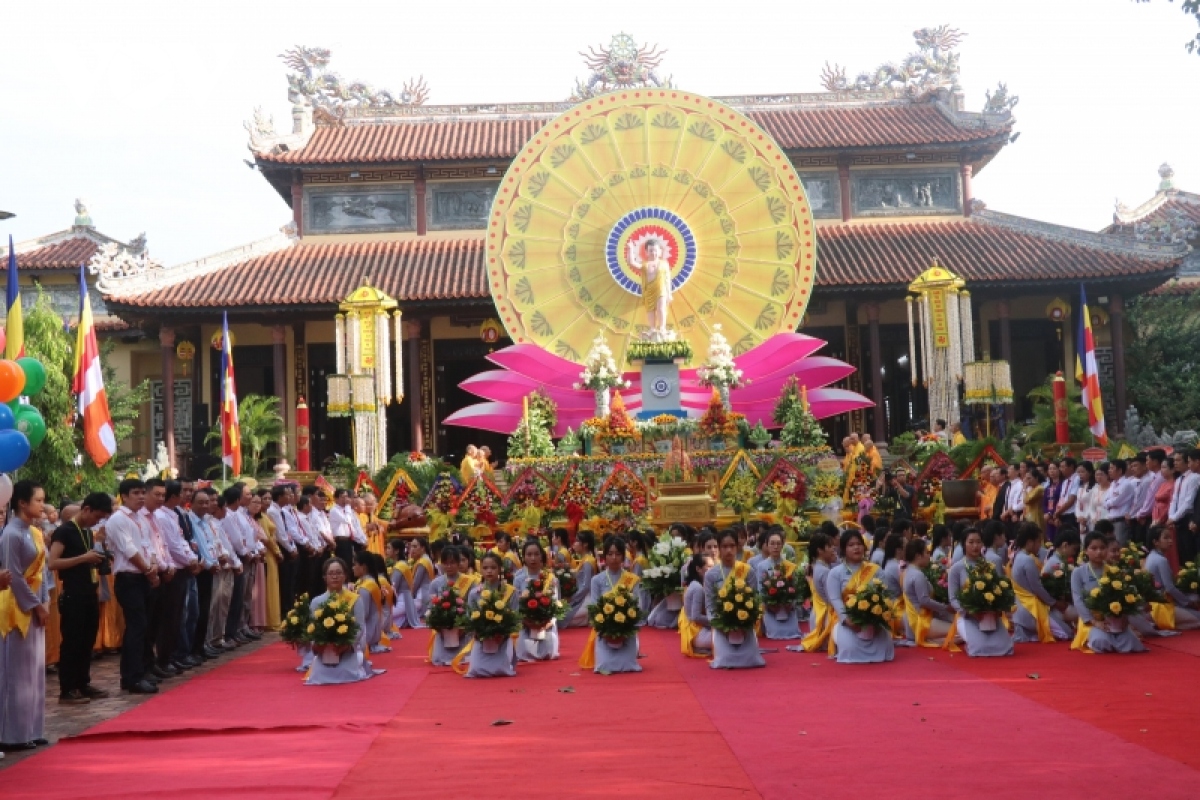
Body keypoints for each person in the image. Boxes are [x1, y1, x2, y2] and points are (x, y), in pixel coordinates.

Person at [47, 492, 114, 705]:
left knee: (87, 641)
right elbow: (53, 563)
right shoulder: (64, 531)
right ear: (86, 509)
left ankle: (82, 683)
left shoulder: (87, 533)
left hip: (89, 592)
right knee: (72, 642)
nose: (97, 522)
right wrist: (83, 558)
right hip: (73, 593)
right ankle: (67, 689)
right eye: (96, 516)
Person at [0, 481, 52, 751]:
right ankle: (12, 733)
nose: (42, 505)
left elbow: (42, 572)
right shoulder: (11, 534)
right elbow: (13, 577)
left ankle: (32, 728)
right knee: (16, 674)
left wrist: (45, 600)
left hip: (34, 605)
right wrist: (35, 606)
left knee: (34, 671)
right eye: (38, 500)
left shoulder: (34, 532)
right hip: (16, 608)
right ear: (22, 503)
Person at [305, 557, 383, 685]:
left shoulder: (355, 599)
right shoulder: (316, 602)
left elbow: (359, 627)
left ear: (345, 576)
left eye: (338, 573)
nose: (335, 577)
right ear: (324, 577)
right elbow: (312, 627)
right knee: (318, 677)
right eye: (331, 573)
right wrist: (318, 644)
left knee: (347, 674)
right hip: (323, 652)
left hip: (347, 651)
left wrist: (346, 645)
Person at [1071, 532, 1147, 654]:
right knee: (1100, 641)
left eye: (1102, 548)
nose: (1099, 552)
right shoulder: (1078, 572)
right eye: (1094, 548)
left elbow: (1125, 596)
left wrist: (1124, 619)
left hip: (1115, 620)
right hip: (1092, 620)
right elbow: (1078, 600)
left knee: (1132, 643)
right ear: (1086, 550)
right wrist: (1095, 622)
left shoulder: (1114, 571)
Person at [826, 530, 894, 664]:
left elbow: (886, 596)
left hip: (875, 621)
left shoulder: (876, 570)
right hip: (846, 621)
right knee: (850, 648)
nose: (856, 547)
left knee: (885, 647)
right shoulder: (835, 573)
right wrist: (847, 620)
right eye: (851, 545)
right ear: (844, 549)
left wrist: (878, 620)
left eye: (859, 544)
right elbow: (835, 599)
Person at [946, 528, 1014, 657]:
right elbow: (953, 599)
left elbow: (999, 589)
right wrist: (970, 611)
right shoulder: (956, 568)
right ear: (963, 545)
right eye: (971, 542)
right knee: (979, 649)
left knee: (1006, 648)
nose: (975, 546)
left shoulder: (989, 566)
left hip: (989, 615)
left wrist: (997, 608)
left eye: (978, 542)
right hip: (968, 616)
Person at [580, 536, 643, 673]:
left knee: (628, 666)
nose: (614, 557)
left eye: (618, 554)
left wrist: (627, 628)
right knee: (604, 666)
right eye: (610, 554)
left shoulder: (632, 580)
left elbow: (638, 606)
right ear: (605, 557)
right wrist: (606, 628)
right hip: (604, 632)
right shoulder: (596, 580)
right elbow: (594, 608)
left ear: (623, 556)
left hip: (627, 631)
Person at [703, 530, 765, 669]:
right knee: (724, 660)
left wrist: (747, 622)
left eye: (732, 546)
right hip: (722, 625)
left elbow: (755, 600)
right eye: (724, 546)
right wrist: (719, 625)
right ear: (719, 548)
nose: (729, 550)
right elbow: (710, 604)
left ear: (737, 547)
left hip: (745, 624)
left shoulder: (747, 571)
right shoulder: (710, 575)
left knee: (752, 660)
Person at [457, 552, 517, 678]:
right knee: (476, 670)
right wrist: (478, 632)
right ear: (481, 569)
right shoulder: (474, 593)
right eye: (485, 568)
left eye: (493, 567)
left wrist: (503, 632)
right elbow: (469, 617)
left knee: (502, 670)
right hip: (481, 638)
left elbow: (516, 617)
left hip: (503, 638)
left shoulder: (510, 591)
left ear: (500, 569)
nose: (489, 571)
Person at [1010, 523, 1070, 643]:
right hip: (1030, 609)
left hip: (1021, 607)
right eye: (1038, 542)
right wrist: (1054, 603)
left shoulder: (1018, 556)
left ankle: (1032, 634)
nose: (1040, 546)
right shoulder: (1027, 560)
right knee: (1067, 633)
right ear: (1030, 542)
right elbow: (1037, 587)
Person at [427, 545, 476, 666]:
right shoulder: (435, 583)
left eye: (452, 563)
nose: (449, 566)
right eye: (446, 563)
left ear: (459, 563)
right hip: (443, 630)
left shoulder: (470, 582)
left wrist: (464, 625)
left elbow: (473, 608)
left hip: (464, 629)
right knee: (439, 660)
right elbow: (430, 608)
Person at [1145, 525, 1200, 632]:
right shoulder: (1161, 560)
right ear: (1155, 542)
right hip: (1161, 606)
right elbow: (1169, 588)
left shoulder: (1151, 556)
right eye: (1166, 538)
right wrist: (1188, 602)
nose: (1170, 541)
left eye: (1170, 538)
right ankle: (1164, 624)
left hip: (1155, 603)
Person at [513, 539, 560, 662]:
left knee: (548, 653)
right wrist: (527, 621)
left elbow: (555, 604)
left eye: (536, 554)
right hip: (525, 623)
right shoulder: (518, 579)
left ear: (541, 556)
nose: (533, 558)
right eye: (529, 555)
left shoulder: (551, 578)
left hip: (546, 624)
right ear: (524, 557)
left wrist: (544, 621)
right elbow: (516, 605)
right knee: (523, 653)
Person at [902, 539, 954, 647]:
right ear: (918, 556)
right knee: (957, 631)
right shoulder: (917, 575)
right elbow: (924, 601)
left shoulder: (908, 571)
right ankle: (928, 639)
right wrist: (945, 607)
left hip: (916, 618)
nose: (928, 556)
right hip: (922, 621)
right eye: (926, 552)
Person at [753, 530, 801, 640]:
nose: (775, 547)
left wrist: (790, 603)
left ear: (783, 545)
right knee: (775, 634)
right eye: (772, 543)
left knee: (792, 632)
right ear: (767, 545)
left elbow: (795, 588)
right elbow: (760, 591)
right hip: (770, 608)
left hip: (788, 608)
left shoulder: (789, 566)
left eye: (778, 543)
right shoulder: (761, 566)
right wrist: (770, 605)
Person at [801, 532, 838, 653]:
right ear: (820, 551)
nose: (833, 549)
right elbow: (832, 599)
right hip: (826, 616)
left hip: (819, 613)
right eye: (829, 546)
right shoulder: (824, 571)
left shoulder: (817, 567)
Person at [352, 550, 389, 654]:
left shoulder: (366, 586)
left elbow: (364, 614)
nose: (353, 568)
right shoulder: (368, 582)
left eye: (354, 565)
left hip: (368, 632)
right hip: (373, 630)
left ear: (363, 567)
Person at [679, 553, 713, 657]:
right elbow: (696, 616)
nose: (713, 570)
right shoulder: (697, 588)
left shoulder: (699, 584)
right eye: (709, 567)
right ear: (698, 569)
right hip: (696, 633)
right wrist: (716, 620)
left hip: (700, 630)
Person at [1171, 450, 1200, 564]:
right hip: (1183, 520)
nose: (1175, 463)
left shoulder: (1194, 478)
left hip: (1189, 518)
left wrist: (1195, 520)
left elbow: (1190, 502)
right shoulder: (1179, 479)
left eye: (1189, 462)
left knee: (1191, 554)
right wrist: (1172, 517)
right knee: (1183, 554)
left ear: (1197, 462)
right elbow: (1174, 500)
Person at [563, 530, 597, 628]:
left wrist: (572, 598)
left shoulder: (587, 562)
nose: (574, 543)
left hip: (586, 598)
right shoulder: (585, 559)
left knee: (563, 619)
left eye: (577, 541)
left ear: (585, 544)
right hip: (581, 596)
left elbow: (586, 586)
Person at [1104, 460, 1133, 545]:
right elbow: (1104, 501)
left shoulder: (1126, 484)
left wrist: (1109, 503)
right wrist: (1109, 503)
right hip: (1111, 520)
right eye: (1109, 468)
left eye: (1112, 468)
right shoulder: (1113, 484)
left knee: (1120, 546)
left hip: (1121, 520)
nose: (1109, 470)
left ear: (1120, 470)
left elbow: (1115, 502)